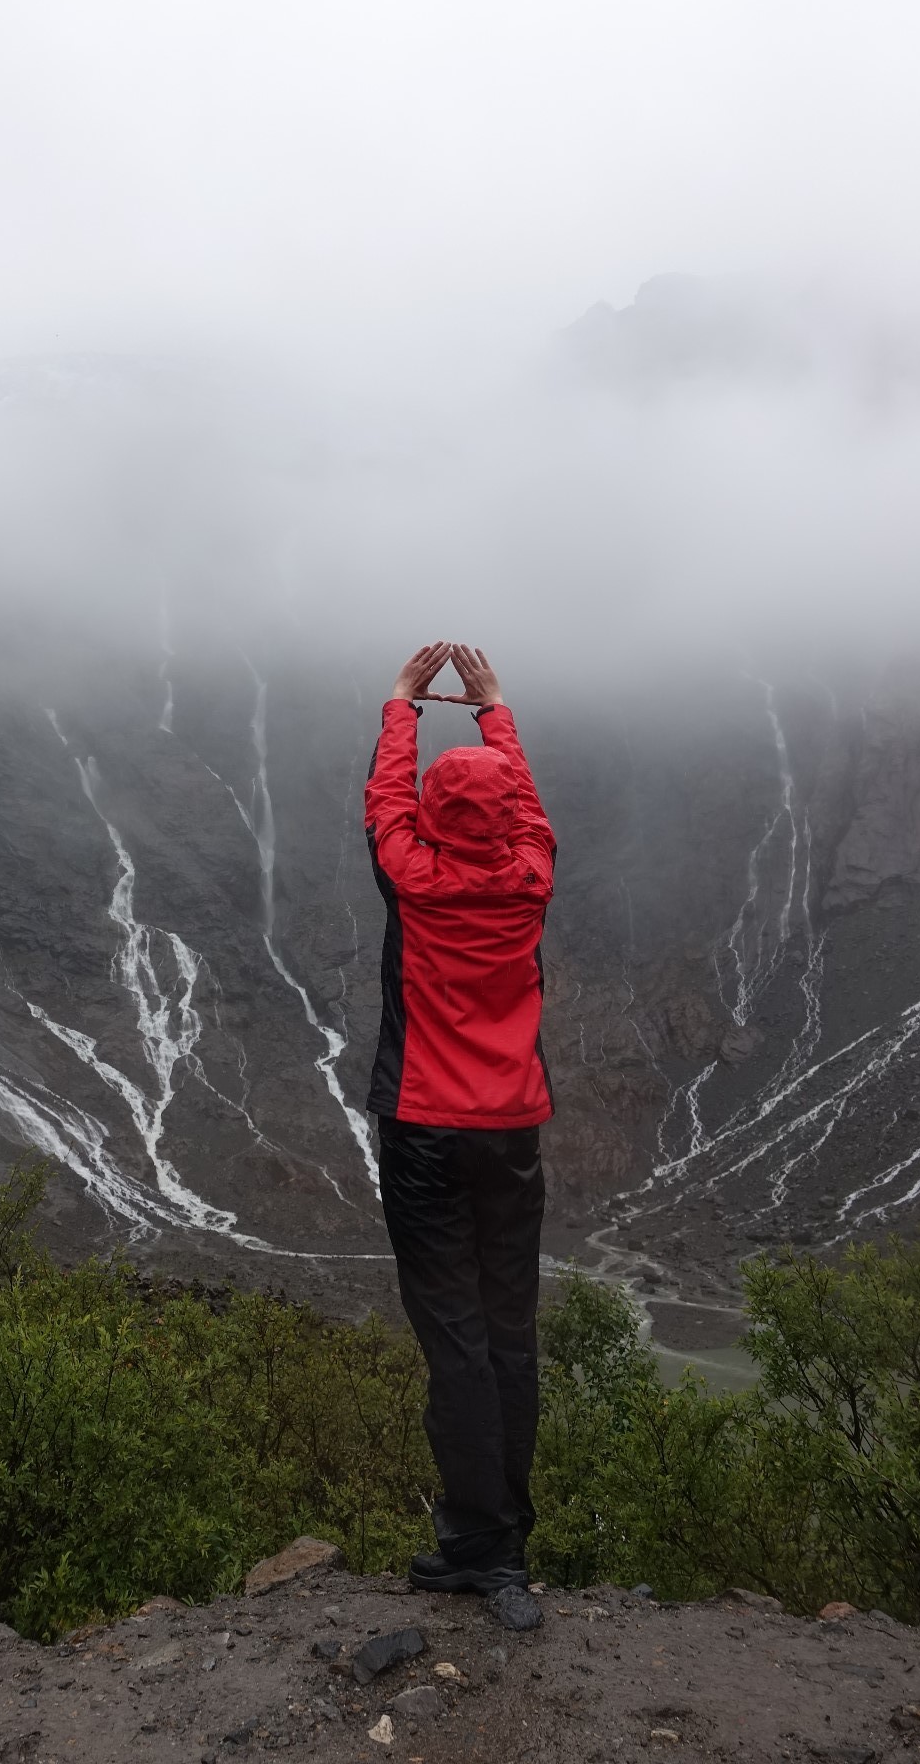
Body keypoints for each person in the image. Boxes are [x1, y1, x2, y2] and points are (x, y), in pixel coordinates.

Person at [365, 640, 556, 1596]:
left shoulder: (412, 873)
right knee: (508, 1330)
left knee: (454, 1336)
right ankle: (507, 1536)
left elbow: (384, 806)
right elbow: (523, 811)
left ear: (433, 818)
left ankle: (479, 1544)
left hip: (424, 1133)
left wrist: (403, 706)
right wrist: (494, 713)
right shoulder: (529, 876)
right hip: (510, 1133)